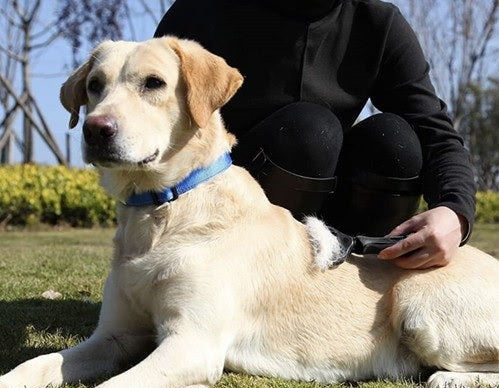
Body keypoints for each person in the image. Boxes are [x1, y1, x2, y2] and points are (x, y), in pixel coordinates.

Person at [154, 0, 476, 270]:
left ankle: (359, 278)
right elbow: (152, 122)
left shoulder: (378, 22)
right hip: (229, 215)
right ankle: (255, 282)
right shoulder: (203, 11)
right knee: (309, 132)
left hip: (333, 212)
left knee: (395, 142)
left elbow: (436, 135)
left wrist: (455, 213)